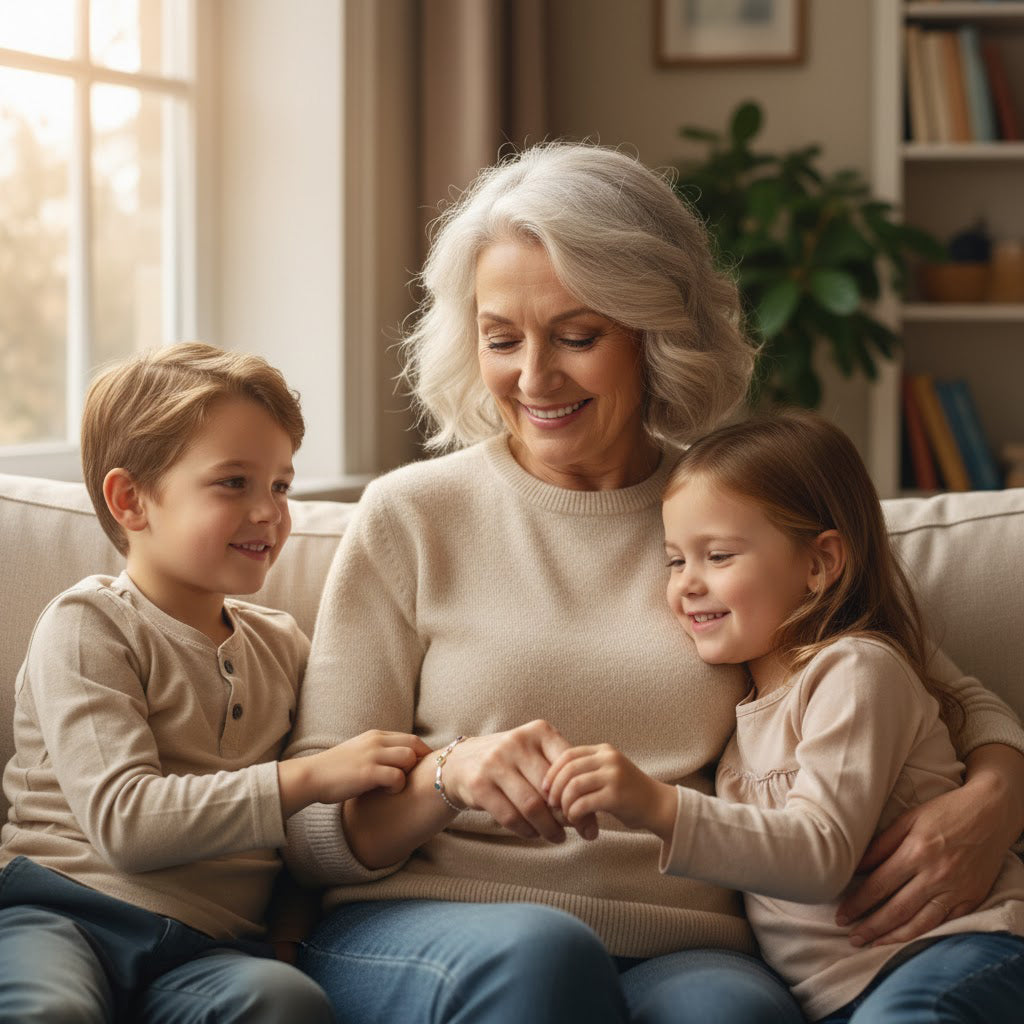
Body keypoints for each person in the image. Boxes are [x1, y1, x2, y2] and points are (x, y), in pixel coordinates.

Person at [282, 143, 1024, 1023]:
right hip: (427, 925)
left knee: (733, 1015)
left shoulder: (731, 515)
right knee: (541, 959)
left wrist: (996, 801)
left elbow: (937, 686)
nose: (534, 377)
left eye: (578, 335)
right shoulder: (410, 515)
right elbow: (312, 830)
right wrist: (446, 775)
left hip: (685, 941)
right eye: (501, 338)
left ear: (654, 333)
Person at [544, 410, 1024, 1022]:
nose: (687, 583)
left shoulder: (853, 671)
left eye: (717, 556)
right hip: (840, 995)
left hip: (953, 952)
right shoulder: (746, 710)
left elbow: (821, 855)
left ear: (820, 565)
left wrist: (655, 806)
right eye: (674, 560)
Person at [0, 342, 428, 1022]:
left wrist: (287, 932)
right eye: (234, 483)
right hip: (64, 911)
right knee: (49, 1012)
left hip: (208, 949)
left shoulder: (283, 647)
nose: (269, 511)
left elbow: (296, 845)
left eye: (280, 485)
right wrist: (310, 778)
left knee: (285, 1001)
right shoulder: (89, 625)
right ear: (131, 500)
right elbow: (126, 824)